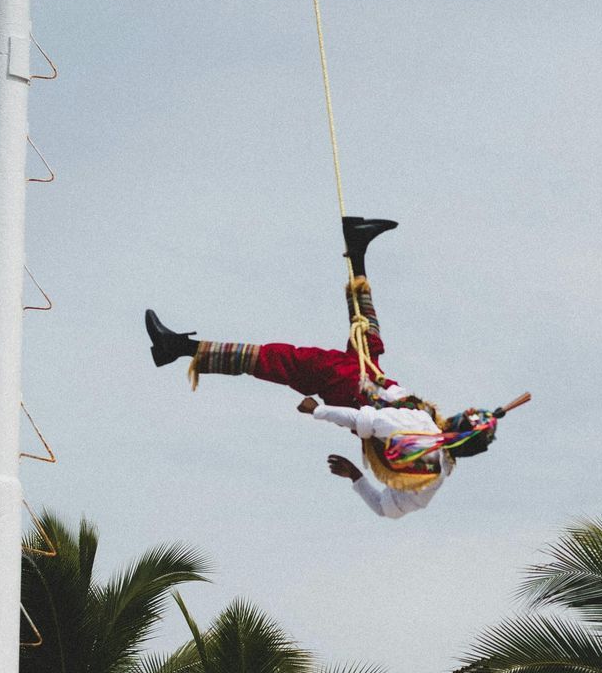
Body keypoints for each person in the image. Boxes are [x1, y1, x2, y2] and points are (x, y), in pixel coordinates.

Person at [144, 217, 528, 518]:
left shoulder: (425, 431)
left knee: (284, 359)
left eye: (465, 415)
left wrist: (320, 411)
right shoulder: (434, 479)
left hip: (354, 391)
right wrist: (358, 477)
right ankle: (357, 248)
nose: (460, 412)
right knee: (367, 342)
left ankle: (181, 348)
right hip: (369, 387)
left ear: (459, 428)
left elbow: (371, 422)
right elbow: (386, 509)